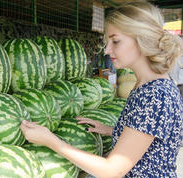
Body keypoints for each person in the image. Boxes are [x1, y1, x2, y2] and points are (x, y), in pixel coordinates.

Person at [21, 1, 183, 177]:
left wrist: (52, 141)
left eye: (115, 41)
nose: (107, 50)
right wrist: (111, 130)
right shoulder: (150, 86)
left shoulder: (155, 96)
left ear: (141, 40)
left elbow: (111, 170)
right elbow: (151, 138)